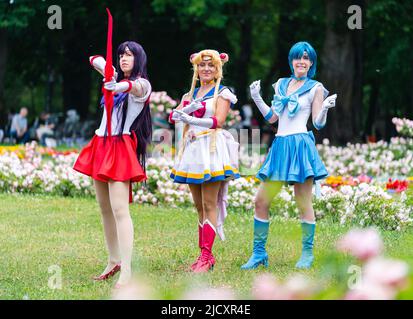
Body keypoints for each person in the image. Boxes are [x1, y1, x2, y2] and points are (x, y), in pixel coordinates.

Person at [241, 41, 337, 270]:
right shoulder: (281, 85)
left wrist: (324, 107)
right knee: (261, 200)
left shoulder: (315, 87)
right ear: (291, 60)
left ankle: (307, 254)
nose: (301, 61)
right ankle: (258, 254)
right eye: (297, 57)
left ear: (311, 62)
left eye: (306, 58)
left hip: (300, 146)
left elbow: (317, 123)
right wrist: (256, 97)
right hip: (281, 146)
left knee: (303, 201)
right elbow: (273, 118)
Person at [73, 41, 152, 288]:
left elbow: (135, 87)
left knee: (120, 210)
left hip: (120, 146)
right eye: (121, 55)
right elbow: (92, 57)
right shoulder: (115, 77)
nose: (124, 58)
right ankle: (113, 260)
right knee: (104, 208)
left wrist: (117, 84)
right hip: (101, 143)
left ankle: (127, 268)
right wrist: (109, 71)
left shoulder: (142, 85)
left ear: (139, 58)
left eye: (129, 55)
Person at [168, 50, 239, 273]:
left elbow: (218, 120)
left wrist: (189, 118)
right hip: (192, 151)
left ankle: (206, 256)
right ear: (196, 69)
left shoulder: (223, 93)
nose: (206, 68)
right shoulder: (190, 94)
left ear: (218, 68)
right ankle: (203, 254)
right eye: (202, 65)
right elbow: (173, 117)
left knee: (210, 203)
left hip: (211, 149)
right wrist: (183, 112)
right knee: (199, 206)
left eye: (210, 65)